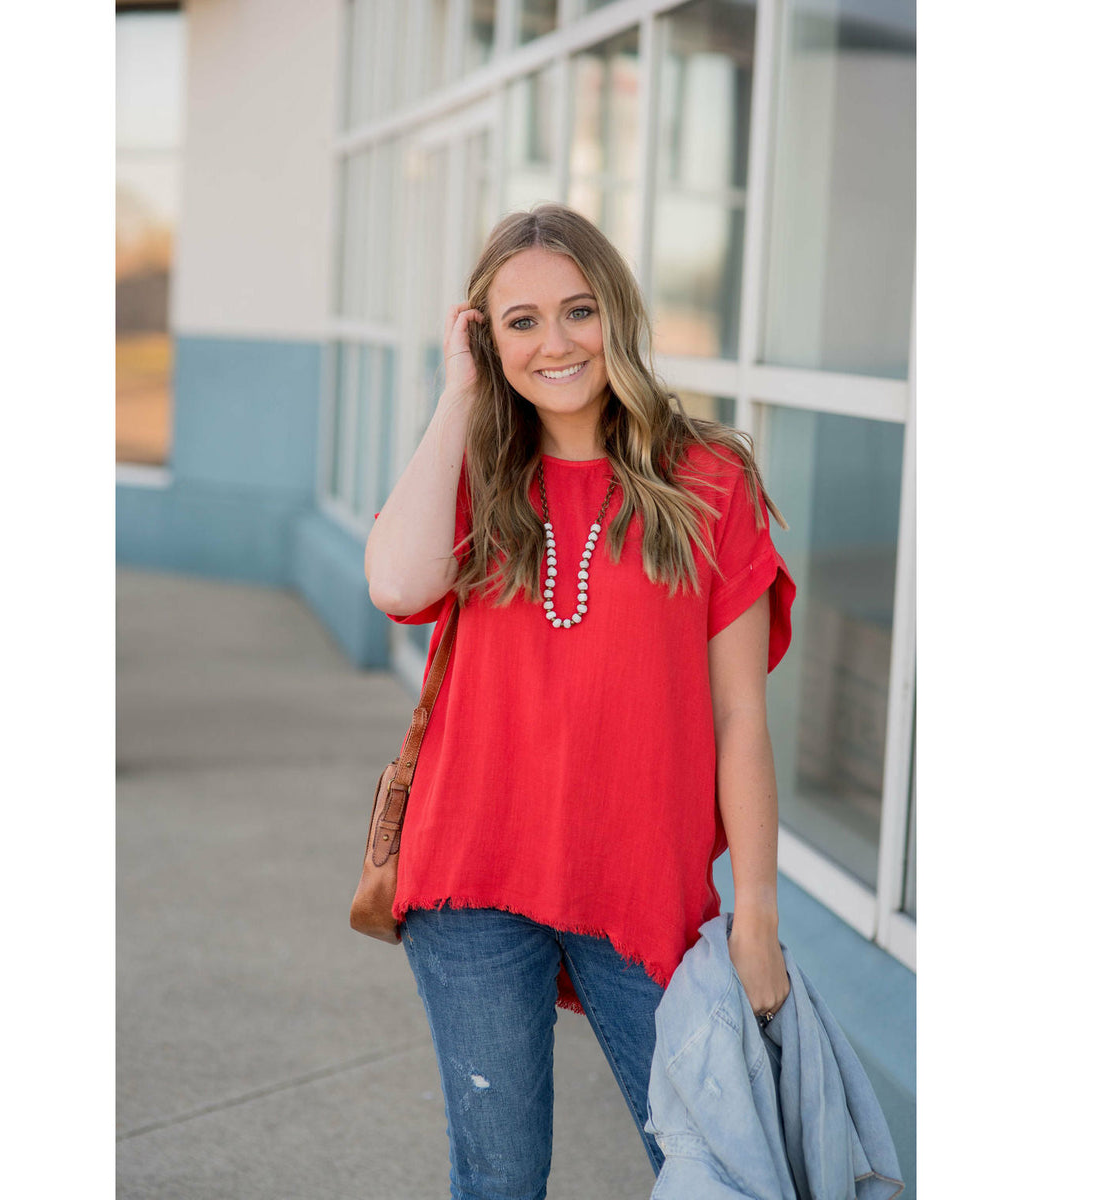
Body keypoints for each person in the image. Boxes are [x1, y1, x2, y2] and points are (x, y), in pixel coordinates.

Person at [364, 203, 796, 1200]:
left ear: (619, 314)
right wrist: (458, 396)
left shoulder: (710, 479)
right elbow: (394, 587)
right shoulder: (472, 470)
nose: (554, 343)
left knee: (721, 1166)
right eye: (520, 322)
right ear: (487, 336)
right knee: (499, 1179)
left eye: (577, 310)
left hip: (643, 881)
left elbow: (740, 718)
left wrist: (758, 914)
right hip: (472, 874)